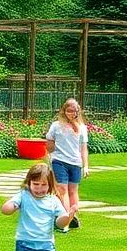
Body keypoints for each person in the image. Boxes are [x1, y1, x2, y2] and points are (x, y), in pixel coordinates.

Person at [45, 98, 90, 231]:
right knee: (62, 189)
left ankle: (73, 216)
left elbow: (83, 148)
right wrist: (49, 156)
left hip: (75, 163)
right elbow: (50, 143)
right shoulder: (56, 126)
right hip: (59, 161)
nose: (72, 113)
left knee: (73, 190)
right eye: (69, 111)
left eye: (75, 111)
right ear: (64, 111)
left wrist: (85, 165)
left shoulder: (82, 128)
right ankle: (65, 219)